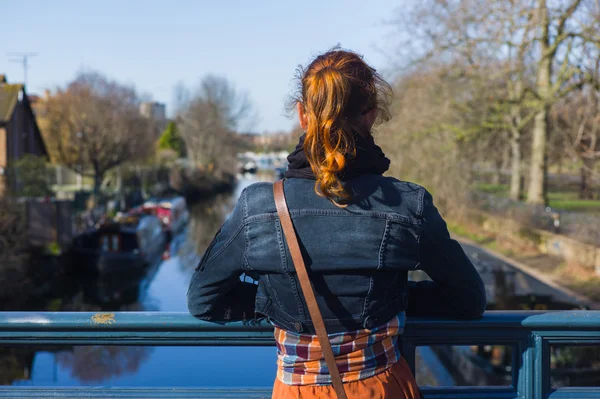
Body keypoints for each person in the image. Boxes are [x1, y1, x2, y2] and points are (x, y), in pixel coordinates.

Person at [187, 48, 487, 399]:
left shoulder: (258, 207)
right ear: (371, 115)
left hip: (297, 391)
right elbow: (468, 300)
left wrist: (272, 301)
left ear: (302, 114)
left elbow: (203, 301)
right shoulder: (409, 204)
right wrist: (395, 297)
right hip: (384, 387)